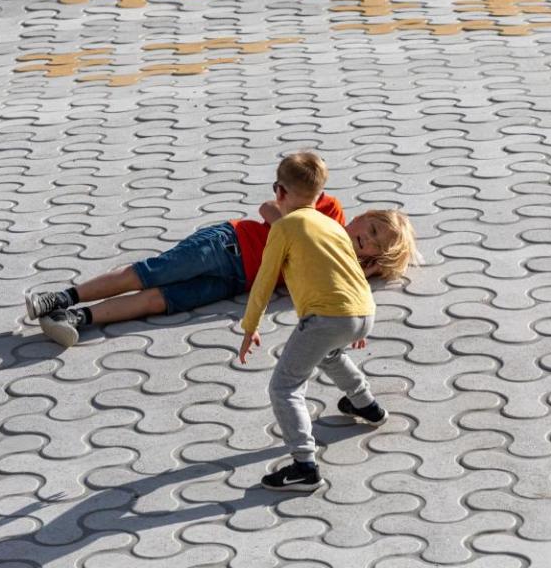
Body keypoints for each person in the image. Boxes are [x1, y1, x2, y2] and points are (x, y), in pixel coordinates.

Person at [25, 156, 417, 347]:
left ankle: (77, 318)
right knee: (149, 272)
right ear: (361, 216)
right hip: (225, 245)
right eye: (367, 229)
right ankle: (60, 297)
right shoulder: (325, 210)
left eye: (369, 246)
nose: (360, 239)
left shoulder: (340, 263)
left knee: (159, 302)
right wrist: (292, 228)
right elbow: (268, 209)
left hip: (235, 281)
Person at [237, 151, 394, 492]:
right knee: (329, 354)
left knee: (285, 387)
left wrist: (251, 327)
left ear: (279, 192)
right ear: (320, 196)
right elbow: (351, 270)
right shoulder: (333, 227)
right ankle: (366, 405)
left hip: (326, 316)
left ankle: (304, 465)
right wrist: (358, 318)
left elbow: (264, 280)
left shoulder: (285, 227)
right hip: (361, 310)